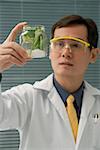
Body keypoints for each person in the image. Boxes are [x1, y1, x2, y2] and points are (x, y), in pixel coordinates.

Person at [0, 15, 100, 150]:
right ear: (50, 51)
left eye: (75, 45)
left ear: (93, 55)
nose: (66, 52)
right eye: (59, 43)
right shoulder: (27, 98)